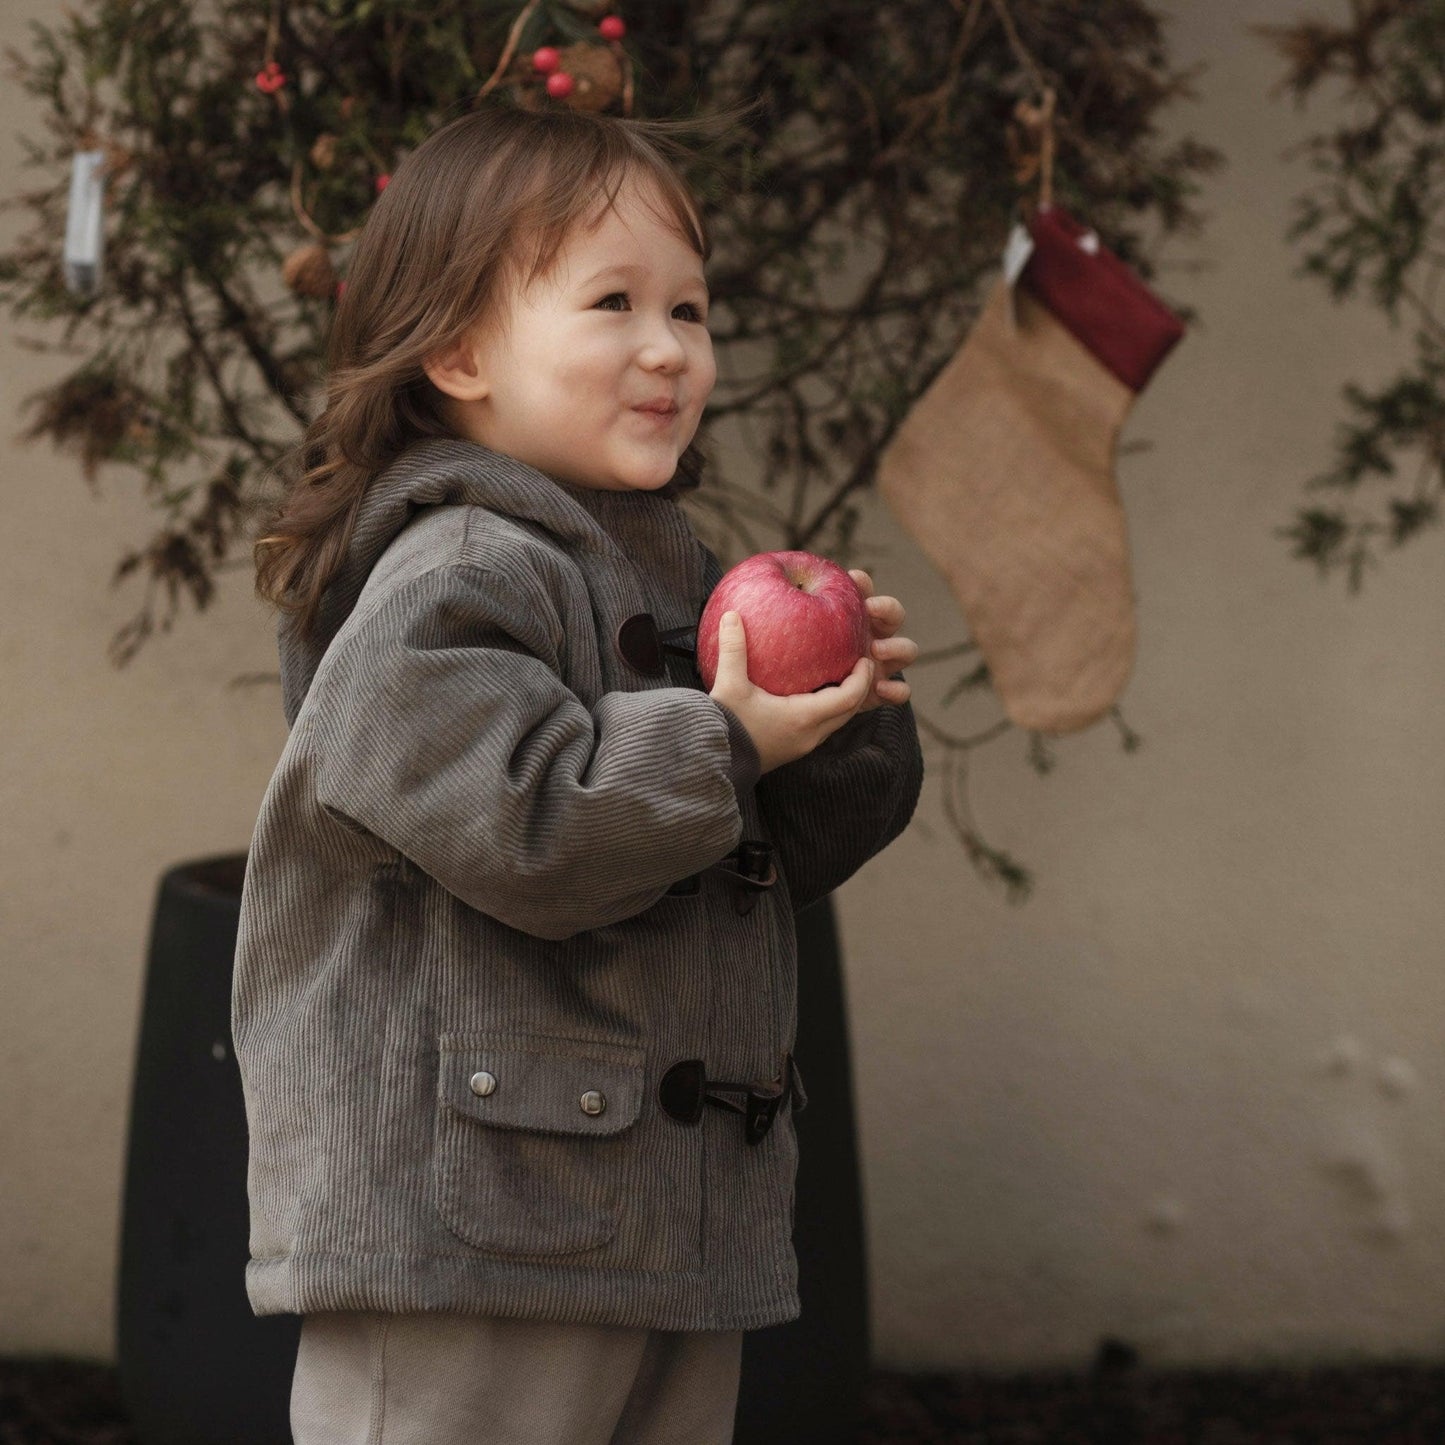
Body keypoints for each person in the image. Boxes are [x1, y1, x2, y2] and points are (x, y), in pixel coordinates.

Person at [236, 100, 924, 1445]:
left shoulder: (673, 572)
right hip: (468, 1235)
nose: (669, 349)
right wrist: (722, 739)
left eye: (694, 309)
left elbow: (766, 851)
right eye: (613, 302)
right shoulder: (450, 575)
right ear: (458, 346)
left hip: (649, 1220)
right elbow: (531, 825)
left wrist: (834, 725)